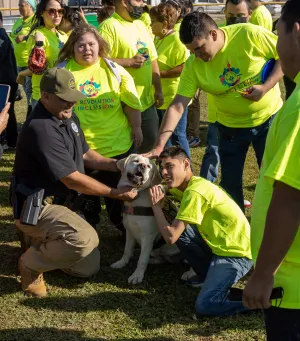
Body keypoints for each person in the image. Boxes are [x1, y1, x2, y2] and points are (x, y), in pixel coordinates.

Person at [12, 67, 138, 297]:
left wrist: (117, 164)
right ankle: (30, 264)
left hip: (61, 202)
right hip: (39, 205)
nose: (71, 104)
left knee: (87, 267)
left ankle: (37, 240)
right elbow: (72, 179)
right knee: (84, 240)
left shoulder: (66, 115)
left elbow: (85, 154)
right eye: (64, 100)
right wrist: (115, 192)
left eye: (73, 99)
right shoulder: (41, 128)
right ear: (45, 97)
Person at [146, 12, 283, 212]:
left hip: (269, 120)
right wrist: (159, 145)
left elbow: (285, 55)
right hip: (229, 128)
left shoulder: (249, 34)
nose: (196, 55)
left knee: (275, 178)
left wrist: (266, 87)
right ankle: (237, 230)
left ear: (213, 34)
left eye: (199, 48)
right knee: (230, 184)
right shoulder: (194, 64)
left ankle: (278, 224)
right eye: (191, 51)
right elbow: (177, 105)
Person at [243, 1, 300, 339]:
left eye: (277, 35)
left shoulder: (298, 109)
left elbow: (291, 195)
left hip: (292, 285)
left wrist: (264, 273)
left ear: (295, 31)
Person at [57, 24, 142, 231]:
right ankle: (87, 232)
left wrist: (137, 127)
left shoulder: (115, 70)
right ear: (72, 47)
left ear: (100, 46)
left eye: (91, 44)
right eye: (81, 45)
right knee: (85, 203)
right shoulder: (62, 71)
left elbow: (130, 102)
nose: (87, 49)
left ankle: (126, 231)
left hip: (117, 149)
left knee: (121, 203)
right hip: (80, 152)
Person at [149, 146, 252, 316]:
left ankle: (258, 302)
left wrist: (156, 206)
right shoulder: (187, 184)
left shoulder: (195, 192)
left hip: (235, 254)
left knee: (205, 305)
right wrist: (159, 189)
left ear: (186, 163)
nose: (164, 172)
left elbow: (171, 237)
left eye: (169, 166)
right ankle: (208, 276)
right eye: (161, 167)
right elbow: (165, 188)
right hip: (217, 248)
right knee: (181, 225)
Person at [98, 0, 163, 154]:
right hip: (124, 104)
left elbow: (152, 58)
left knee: (150, 144)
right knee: (127, 150)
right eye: (138, 0)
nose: (142, 4)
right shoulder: (109, 26)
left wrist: (158, 88)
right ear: (124, 2)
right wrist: (128, 62)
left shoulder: (140, 25)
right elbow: (99, 62)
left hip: (146, 102)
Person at [200, 0, 252, 188]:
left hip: (258, 118)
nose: (236, 20)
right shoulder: (215, 37)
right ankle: (206, 188)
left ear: (250, 14)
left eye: (240, 15)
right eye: (230, 16)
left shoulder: (253, 34)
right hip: (221, 116)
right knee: (214, 152)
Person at [150, 3, 190, 158]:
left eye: (153, 21)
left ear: (165, 23)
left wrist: (159, 74)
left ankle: (187, 171)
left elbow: (185, 66)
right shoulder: (158, 38)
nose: (151, 24)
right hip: (161, 97)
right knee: (163, 138)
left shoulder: (176, 40)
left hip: (174, 97)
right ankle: (169, 169)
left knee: (177, 136)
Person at [18, 0, 68, 110]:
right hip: (45, 96)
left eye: (60, 11)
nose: (57, 14)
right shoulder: (37, 35)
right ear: (41, 13)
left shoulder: (63, 35)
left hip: (64, 92)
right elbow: (36, 67)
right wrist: (22, 73)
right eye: (52, 11)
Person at [10, 0, 36, 117]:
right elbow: (12, 37)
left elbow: (39, 34)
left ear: (30, 6)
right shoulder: (19, 21)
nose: (19, 7)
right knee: (26, 93)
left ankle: (31, 119)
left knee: (31, 94)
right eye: (18, 5)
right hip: (18, 64)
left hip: (29, 64)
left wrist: (25, 37)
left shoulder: (36, 20)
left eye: (21, 5)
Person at [0, 11, 19, 149]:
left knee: (6, 110)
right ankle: (11, 140)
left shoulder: (1, 36)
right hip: (9, 79)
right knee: (8, 110)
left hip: (5, 81)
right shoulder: (4, 35)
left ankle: (11, 141)